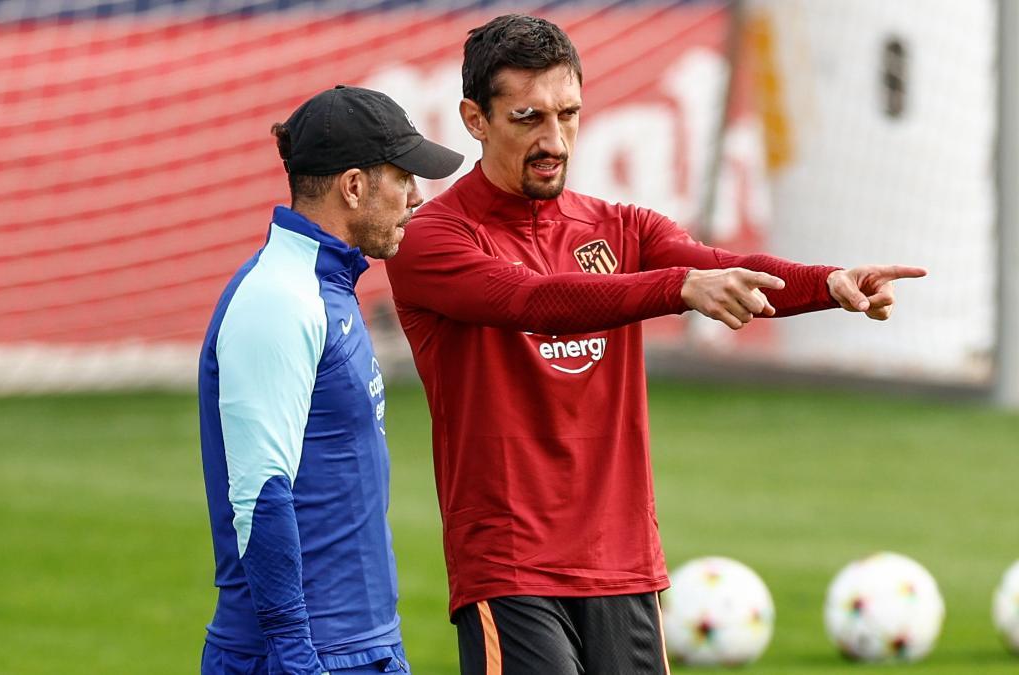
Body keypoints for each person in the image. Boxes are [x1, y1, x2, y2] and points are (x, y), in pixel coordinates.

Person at [384, 14, 926, 675]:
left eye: (569, 114)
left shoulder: (622, 226)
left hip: (624, 562)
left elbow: (721, 265)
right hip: (510, 564)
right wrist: (676, 287)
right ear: (475, 118)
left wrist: (830, 282)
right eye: (528, 118)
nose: (554, 139)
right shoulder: (433, 238)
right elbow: (531, 301)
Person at [198, 85, 463, 675]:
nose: (417, 197)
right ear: (354, 186)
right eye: (403, 177)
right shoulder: (278, 299)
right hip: (301, 654)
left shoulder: (327, 290)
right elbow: (261, 495)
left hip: (362, 645)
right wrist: (296, 655)